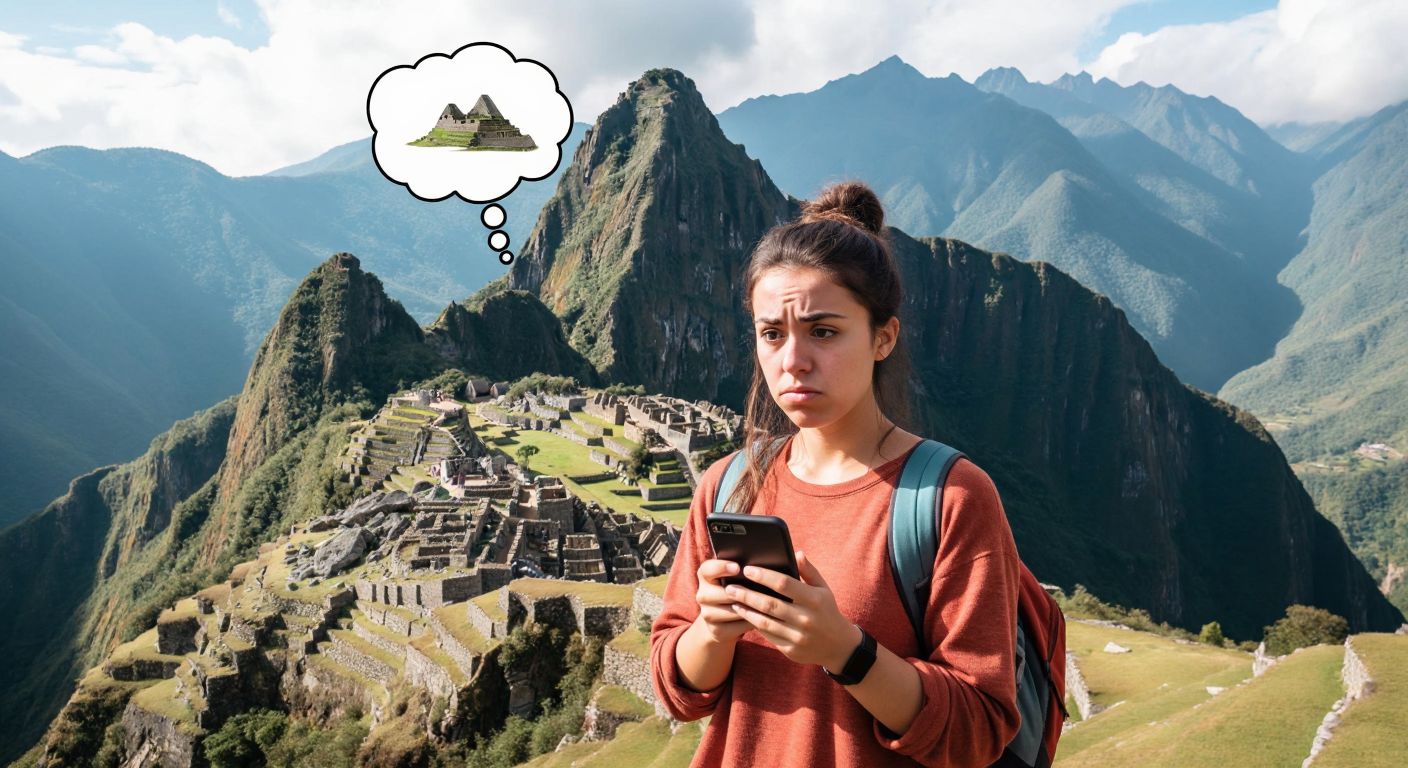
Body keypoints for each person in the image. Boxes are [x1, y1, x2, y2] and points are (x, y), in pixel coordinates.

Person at [649, 181, 1023, 767]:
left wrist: (846, 651)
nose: (793, 360)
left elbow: (979, 728)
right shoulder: (728, 485)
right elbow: (678, 690)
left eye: (823, 332)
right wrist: (713, 631)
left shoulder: (949, 497)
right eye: (772, 333)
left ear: (883, 337)